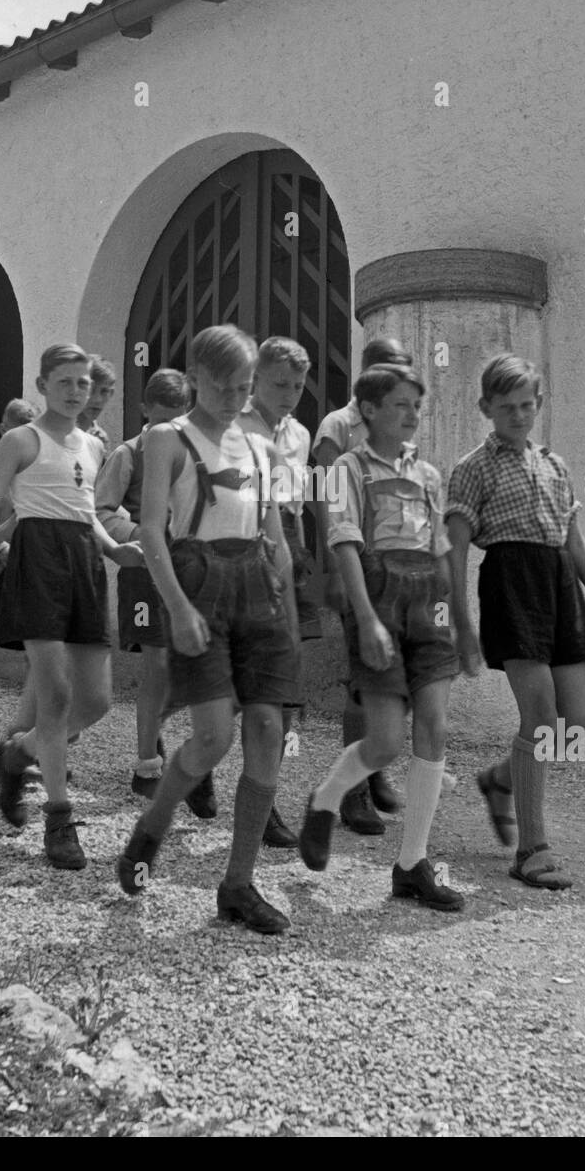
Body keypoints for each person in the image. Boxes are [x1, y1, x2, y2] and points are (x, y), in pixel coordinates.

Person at [116, 324, 301, 935]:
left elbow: (273, 532)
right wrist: (179, 608)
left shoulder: (259, 447)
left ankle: (238, 884)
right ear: (195, 376)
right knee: (213, 738)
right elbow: (150, 532)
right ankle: (154, 826)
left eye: (244, 387)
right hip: (198, 579)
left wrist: (287, 610)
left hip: (258, 587)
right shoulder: (167, 439)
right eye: (222, 385)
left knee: (270, 725)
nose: (233, 396)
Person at [0, 345, 140, 868]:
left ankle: (17, 753)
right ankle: (59, 819)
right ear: (42, 384)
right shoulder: (19, 440)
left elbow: (84, 510)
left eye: (83, 382)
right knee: (56, 695)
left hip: (83, 563)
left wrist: (114, 548)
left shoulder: (95, 446)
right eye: (64, 382)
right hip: (36, 563)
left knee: (98, 701)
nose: (76, 391)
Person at [445, 354, 585, 890]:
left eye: (527, 405)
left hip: (560, 585)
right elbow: (452, 552)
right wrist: (461, 623)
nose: (518, 415)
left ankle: (500, 780)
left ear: (539, 404)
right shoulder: (471, 468)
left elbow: (573, 538)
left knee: (576, 729)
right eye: (506, 407)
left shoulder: (554, 464)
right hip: (511, 584)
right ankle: (530, 850)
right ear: (486, 408)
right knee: (541, 720)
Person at [298, 364, 468, 910]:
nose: (413, 414)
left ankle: (411, 863)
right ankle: (325, 799)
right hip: (378, 597)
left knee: (436, 728)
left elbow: (442, 548)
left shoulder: (429, 475)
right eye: (401, 404)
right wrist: (365, 617)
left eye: (417, 406)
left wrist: (462, 620)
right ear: (368, 411)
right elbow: (343, 539)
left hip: (428, 603)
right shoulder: (347, 468)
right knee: (386, 742)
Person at [311, 337, 414, 835]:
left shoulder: (399, 424)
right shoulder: (337, 425)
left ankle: (373, 771)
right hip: (357, 563)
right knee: (361, 678)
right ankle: (349, 792)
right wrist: (333, 566)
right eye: (390, 368)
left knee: (393, 675)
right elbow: (325, 497)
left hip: (398, 569)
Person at [94, 367, 191, 799]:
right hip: (144, 573)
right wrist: (138, 534)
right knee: (158, 664)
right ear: (143, 410)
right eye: (161, 417)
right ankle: (146, 763)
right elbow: (102, 511)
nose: (169, 427)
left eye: (179, 417)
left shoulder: (194, 453)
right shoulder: (127, 454)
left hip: (190, 570)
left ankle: (165, 737)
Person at [238, 336, 318, 849]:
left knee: (284, 682)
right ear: (255, 381)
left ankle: (265, 801)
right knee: (235, 681)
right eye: (280, 384)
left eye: (297, 385)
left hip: (288, 540)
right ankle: (193, 759)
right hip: (245, 543)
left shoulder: (301, 434)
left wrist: (303, 556)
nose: (289, 394)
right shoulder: (236, 427)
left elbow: (296, 503)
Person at [76, 356, 116, 464]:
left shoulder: (101, 438)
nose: (97, 399)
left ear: (111, 394)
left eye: (104, 391)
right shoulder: (59, 430)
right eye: (91, 390)